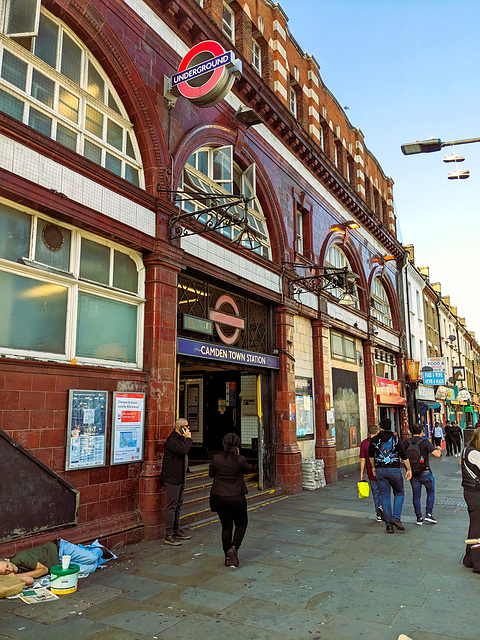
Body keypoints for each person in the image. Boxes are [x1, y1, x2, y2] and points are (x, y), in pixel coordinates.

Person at [209, 433, 253, 568]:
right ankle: (234, 547)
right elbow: (248, 470)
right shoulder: (240, 460)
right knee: (241, 523)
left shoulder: (216, 458)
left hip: (220, 497)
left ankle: (227, 558)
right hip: (237, 497)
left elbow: (211, 474)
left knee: (226, 527)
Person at [0, 539, 114, 586]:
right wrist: (14, 577)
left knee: (91, 558)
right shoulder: (13, 573)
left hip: (60, 550)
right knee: (91, 568)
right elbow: (30, 580)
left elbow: (43, 570)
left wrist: (16, 576)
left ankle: (97, 548)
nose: (10, 570)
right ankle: (94, 554)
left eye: (7, 566)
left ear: (6, 559)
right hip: (57, 565)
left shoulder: (21, 558)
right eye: (6, 572)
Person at [369, 418, 412, 533]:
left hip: (380, 470)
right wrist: (409, 469)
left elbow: (371, 456)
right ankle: (396, 518)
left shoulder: (374, 439)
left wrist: (374, 467)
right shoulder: (396, 439)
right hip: (394, 470)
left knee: (385, 495)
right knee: (399, 493)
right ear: (391, 426)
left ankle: (388, 525)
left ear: (380, 427)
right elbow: (404, 455)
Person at [160, 418, 193, 546]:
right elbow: (183, 450)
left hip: (180, 476)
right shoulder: (173, 440)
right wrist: (189, 439)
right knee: (172, 504)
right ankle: (169, 534)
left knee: (179, 503)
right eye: (186, 426)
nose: (189, 428)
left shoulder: (180, 439)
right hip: (172, 478)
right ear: (180, 428)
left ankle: (176, 529)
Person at [404, 423, 442, 525]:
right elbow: (437, 454)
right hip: (425, 472)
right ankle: (428, 514)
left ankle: (419, 517)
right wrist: (438, 448)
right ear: (421, 431)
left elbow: (403, 457)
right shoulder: (425, 442)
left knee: (416, 495)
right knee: (431, 491)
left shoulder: (406, 442)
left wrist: (408, 469)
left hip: (413, 472)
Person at [461, 429, 480, 572]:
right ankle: (477, 563)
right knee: (476, 527)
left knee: (475, 524)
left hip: (470, 492)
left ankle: (469, 558)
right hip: (475, 493)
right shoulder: (474, 453)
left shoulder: (467, 450)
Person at [359, 424, 383, 522]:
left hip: (370, 472)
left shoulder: (364, 443)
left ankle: (379, 513)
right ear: (378, 431)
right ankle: (385, 510)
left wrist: (361, 473)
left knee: (376, 492)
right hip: (382, 470)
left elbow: (362, 460)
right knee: (384, 492)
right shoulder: (382, 442)